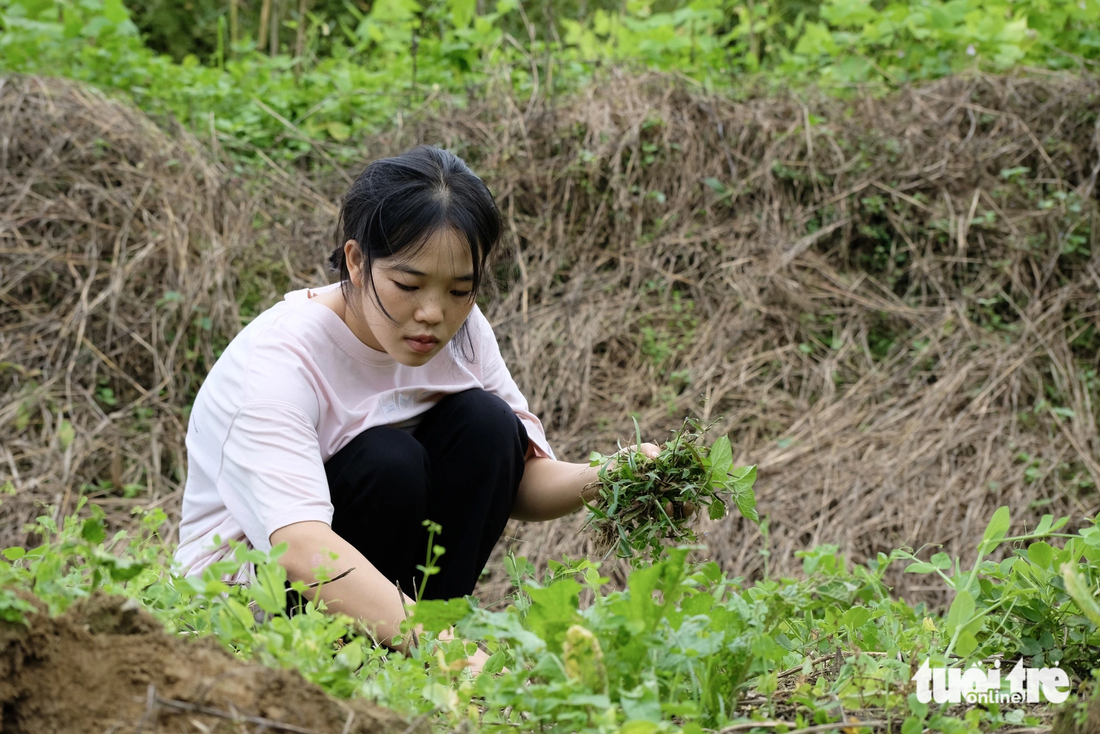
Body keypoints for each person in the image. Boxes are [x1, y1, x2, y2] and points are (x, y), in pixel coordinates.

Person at [173, 145, 658, 667]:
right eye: (408, 284)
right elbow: (299, 548)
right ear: (357, 262)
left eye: (459, 290)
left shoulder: (464, 333)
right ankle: (422, 659)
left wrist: (617, 475)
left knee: (489, 427)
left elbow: (517, 477)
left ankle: (413, 662)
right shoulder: (279, 359)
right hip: (253, 607)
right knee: (389, 461)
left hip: (390, 601)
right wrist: (451, 655)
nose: (433, 313)